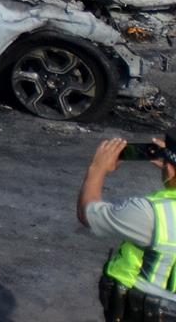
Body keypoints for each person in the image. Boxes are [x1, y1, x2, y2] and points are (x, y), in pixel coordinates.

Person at [80, 136, 176, 321]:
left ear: (169, 169)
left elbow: (88, 213)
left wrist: (97, 168)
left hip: (142, 312)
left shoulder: (150, 213)